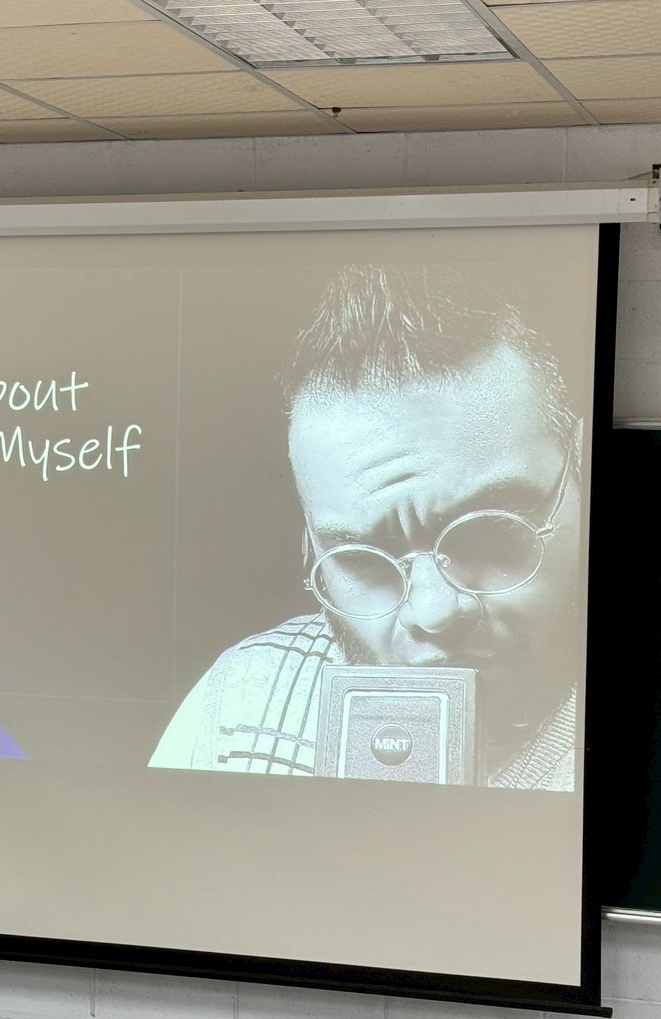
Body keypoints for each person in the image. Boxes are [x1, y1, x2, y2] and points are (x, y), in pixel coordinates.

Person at [150, 264, 584, 790]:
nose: (433, 613)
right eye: (362, 560)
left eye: (490, 532)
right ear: (310, 548)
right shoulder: (240, 706)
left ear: (583, 466)